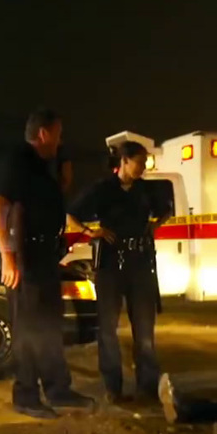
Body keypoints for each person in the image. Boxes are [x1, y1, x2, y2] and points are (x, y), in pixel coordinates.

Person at [0, 108, 96, 419]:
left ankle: (57, 388)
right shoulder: (18, 161)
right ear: (43, 134)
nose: (60, 140)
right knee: (28, 328)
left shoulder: (41, 167)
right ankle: (25, 395)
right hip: (25, 257)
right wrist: (8, 256)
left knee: (50, 324)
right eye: (58, 134)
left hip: (45, 257)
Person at [67, 141, 173, 403]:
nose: (143, 167)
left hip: (139, 263)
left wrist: (154, 225)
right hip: (110, 265)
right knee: (107, 329)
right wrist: (92, 232)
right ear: (124, 161)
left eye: (145, 162)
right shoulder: (102, 189)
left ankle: (147, 385)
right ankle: (113, 386)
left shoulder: (146, 189)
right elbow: (71, 213)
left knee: (145, 329)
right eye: (139, 161)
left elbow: (166, 211)